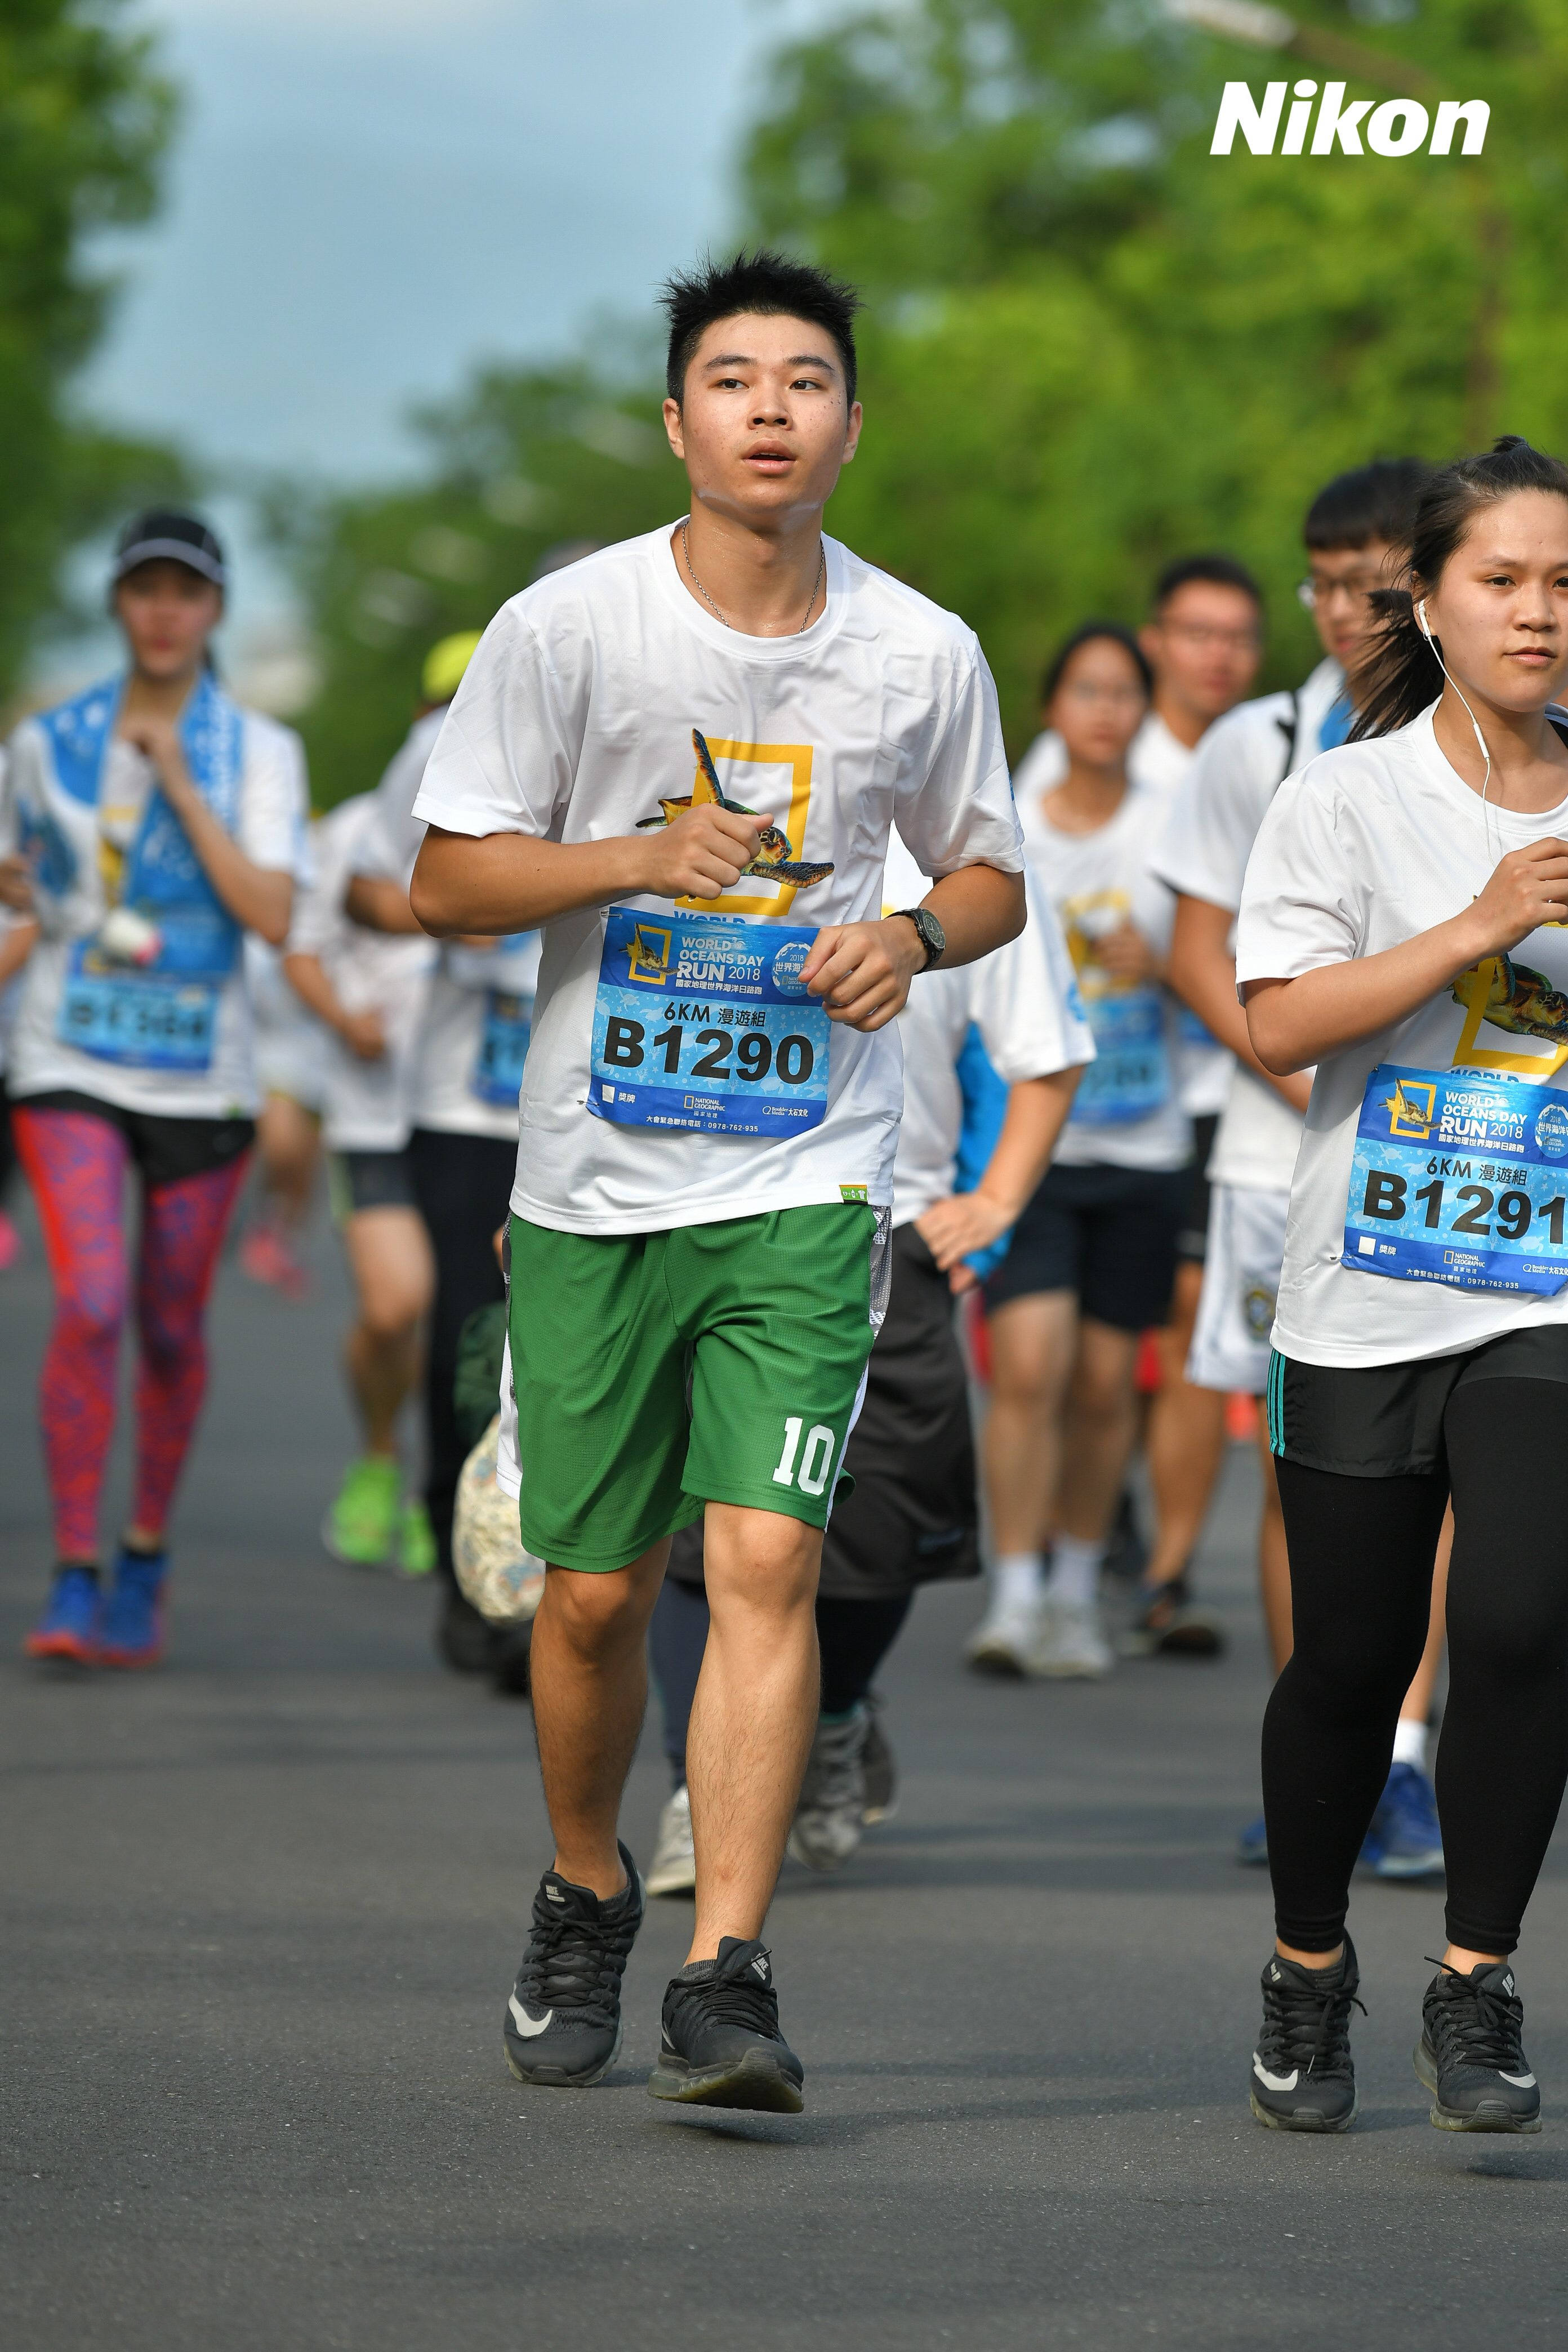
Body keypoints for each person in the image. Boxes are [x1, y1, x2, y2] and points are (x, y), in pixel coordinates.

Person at [407, 248, 1025, 2113]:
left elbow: (991, 875)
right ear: (677, 422)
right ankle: (585, 1885)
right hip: (598, 1184)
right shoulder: (568, 627)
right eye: (736, 380)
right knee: (595, 1593)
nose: (772, 409)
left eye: (806, 380)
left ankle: (724, 1969)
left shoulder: (920, 650)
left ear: (851, 424)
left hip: (809, 1178)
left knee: (765, 1557)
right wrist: (633, 856)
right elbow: (448, 880)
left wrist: (910, 937)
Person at [1237, 434, 1568, 2136]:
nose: (1536, 611)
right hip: (1365, 1287)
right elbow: (1277, 1023)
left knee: (1520, 1615)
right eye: (1500, 578)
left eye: (1563, 583)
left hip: (1545, 1288)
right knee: (1350, 1660)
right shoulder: (1344, 797)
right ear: (1425, 602)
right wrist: (1473, 924)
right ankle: (1305, 1967)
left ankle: (1473, 1980)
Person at [643, 830, 1093, 1894]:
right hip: (692, 1214)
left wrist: (994, 1203)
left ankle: (835, 1713)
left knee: (877, 1537)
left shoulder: (965, 872)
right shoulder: (698, 827)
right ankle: (694, 1792)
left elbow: (1048, 1053)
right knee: (701, 1536)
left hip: (883, 1233)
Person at [1153, 459, 1448, 1876]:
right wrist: (1299, 1064)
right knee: (1306, 1472)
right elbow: (1193, 949)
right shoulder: (1256, 742)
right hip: (1279, 1160)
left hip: (1448, 1163)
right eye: (1324, 585)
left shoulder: (1489, 738)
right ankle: (1321, 1746)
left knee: (1441, 1466)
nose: (1345, 612)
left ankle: (1406, 1759)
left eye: (1372, 586)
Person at [1, 510, 306, 1665]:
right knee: (90, 1305)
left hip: (201, 1075)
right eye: (146, 590)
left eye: (187, 592)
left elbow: (272, 912)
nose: (165, 612)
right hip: (68, 1057)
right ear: (119, 605)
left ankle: (143, 1556)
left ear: (216, 608)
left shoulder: (259, 750)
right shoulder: (45, 743)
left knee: (171, 1329)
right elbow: (20, 893)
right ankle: (74, 1569)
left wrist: (178, 781)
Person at [967, 622, 1188, 1678]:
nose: (1105, 710)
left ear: (1145, 709)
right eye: (1085, 690)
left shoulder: (1171, 827)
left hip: (1144, 1148)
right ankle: (1012, 1597)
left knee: (1104, 1386)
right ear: (1053, 707)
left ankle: (1074, 1589)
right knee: (1028, 1368)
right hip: (1033, 1145)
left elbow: (1229, 960)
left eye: (1123, 692)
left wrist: (1163, 964)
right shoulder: (1011, 828)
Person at [345, 629, 541, 1672]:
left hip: (601, 1099)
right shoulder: (447, 744)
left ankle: (551, 1581)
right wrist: (449, 911)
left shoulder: (662, 735)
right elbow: (361, 889)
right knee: (473, 1340)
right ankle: (469, 1569)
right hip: (467, 1107)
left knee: (574, 1348)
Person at [283, 793, 436, 1574]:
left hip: (496, 1119)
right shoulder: (357, 829)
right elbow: (300, 948)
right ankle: (379, 1454)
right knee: (394, 1307)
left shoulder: (546, 824)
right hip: (374, 1114)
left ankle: (443, 1491)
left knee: (474, 1320)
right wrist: (345, 1022)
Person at [237, 930, 326, 1302]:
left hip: (328, 1061)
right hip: (271, 1054)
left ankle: (283, 1235)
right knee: (282, 1147)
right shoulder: (258, 936)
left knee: (304, 1167)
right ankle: (260, 1220)